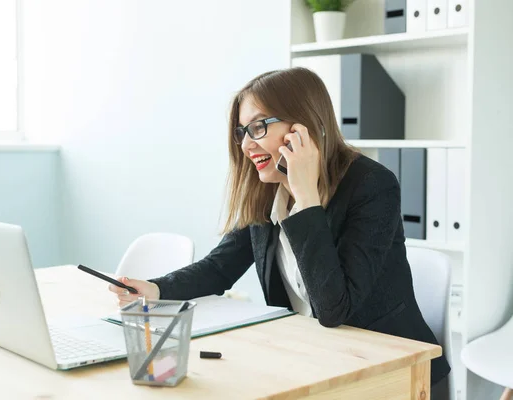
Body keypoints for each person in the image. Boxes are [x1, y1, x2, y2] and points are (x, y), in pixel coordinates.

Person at [109, 67, 451, 388]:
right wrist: (154, 290)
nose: (246, 145)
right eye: (242, 132)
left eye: (259, 127)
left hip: (396, 371)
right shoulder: (269, 193)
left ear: (304, 125)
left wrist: (306, 196)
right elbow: (219, 268)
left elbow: (335, 309)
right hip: (314, 359)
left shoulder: (373, 186)